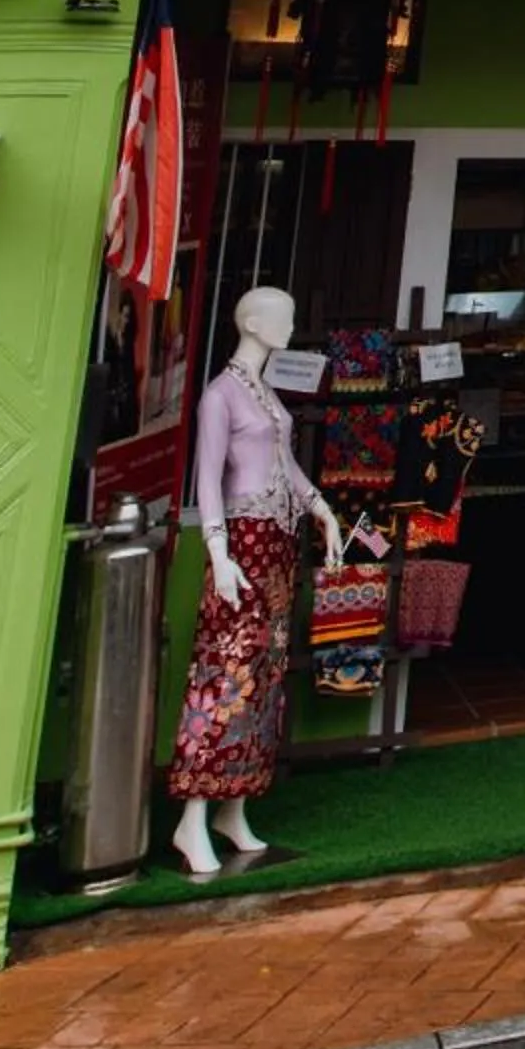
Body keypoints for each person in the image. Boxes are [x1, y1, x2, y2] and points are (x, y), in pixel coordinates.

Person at [164, 285, 344, 873]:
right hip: (241, 544)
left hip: (276, 548)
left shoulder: (265, 395)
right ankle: (192, 817)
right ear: (253, 322)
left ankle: (233, 806)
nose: (290, 327)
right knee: (222, 674)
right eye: (283, 318)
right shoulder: (221, 396)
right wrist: (217, 553)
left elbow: (285, 464)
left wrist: (319, 508)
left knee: (263, 674)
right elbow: (208, 477)